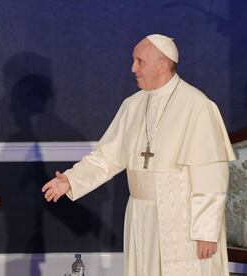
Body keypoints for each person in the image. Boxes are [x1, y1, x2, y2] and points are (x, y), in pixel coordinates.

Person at [42, 34, 234, 276]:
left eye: (139, 61)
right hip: (140, 214)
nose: (133, 68)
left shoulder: (197, 106)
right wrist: (71, 179)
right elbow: (107, 157)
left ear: (162, 64)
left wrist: (206, 232)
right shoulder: (132, 105)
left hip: (182, 220)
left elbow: (211, 176)